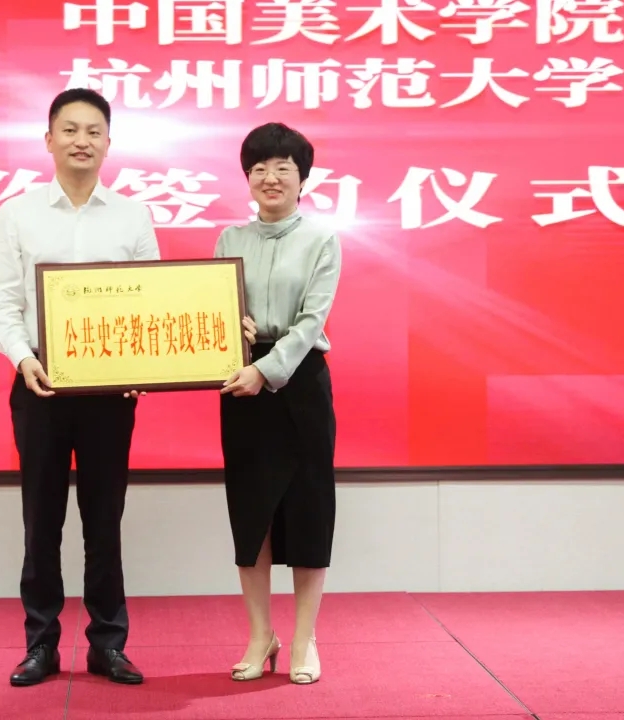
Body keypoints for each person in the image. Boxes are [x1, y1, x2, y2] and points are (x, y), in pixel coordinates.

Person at [0, 88, 159, 687]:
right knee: (42, 520)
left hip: (111, 391)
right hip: (40, 385)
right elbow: (1, 303)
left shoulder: (133, 215)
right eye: (70, 129)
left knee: (105, 520)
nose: (82, 140)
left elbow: (152, 303)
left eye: (93, 131)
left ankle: (109, 644)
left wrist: (144, 364)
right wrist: (22, 358)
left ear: (108, 142)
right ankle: (41, 645)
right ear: (49, 139)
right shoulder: (19, 214)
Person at [215, 122, 342, 685]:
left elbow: (312, 320)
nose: (271, 177)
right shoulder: (229, 239)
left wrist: (265, 371)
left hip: (299, 382)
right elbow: (215, 311)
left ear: (302, 178)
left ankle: (305, 639)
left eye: (283, 167)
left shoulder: (322, 239)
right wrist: (231, 331)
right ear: (248, 177)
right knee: (251, 513)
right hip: (239, 381)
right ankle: (260, 635)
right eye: (260, 167)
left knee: (309, 509)